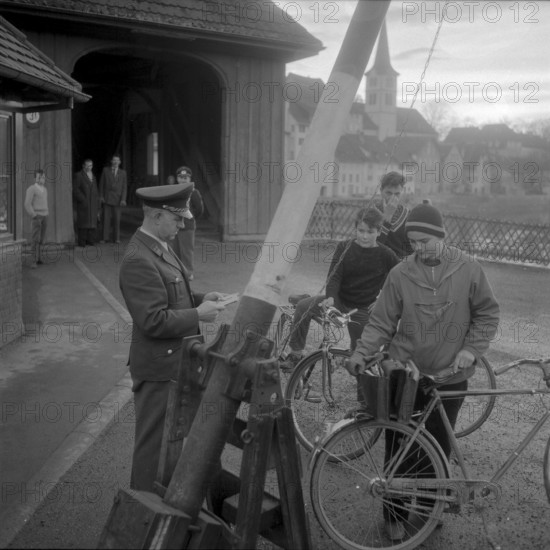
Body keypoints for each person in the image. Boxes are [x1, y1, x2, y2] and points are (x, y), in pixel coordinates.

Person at [346, 203, 500, 540]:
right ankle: (394, 513)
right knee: (399, 444)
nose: (417, 248)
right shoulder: (400, 274)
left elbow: (487, 315)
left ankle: (431, 508)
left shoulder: (469, 269)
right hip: (406, 374)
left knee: (438, 444)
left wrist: (470, 350)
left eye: (423, 241)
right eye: (412, 242)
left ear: (440, 237)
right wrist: (361, 353)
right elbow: (382, 322)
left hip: (449, 378)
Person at [119, 182, 227, 492]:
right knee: (153, 450)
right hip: (158, 369)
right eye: (177, 219)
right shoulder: (138, 258)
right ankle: (139, 519)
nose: (183, 224)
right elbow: (153, 320)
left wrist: (204, 297)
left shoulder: (158, 245)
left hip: (175, 363)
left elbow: (174, 294)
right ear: (155, 215)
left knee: (177, 441)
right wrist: (198, 314)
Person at [280, 207, 399, 372]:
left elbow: (400, 278)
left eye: (370, 232)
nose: (364, 236)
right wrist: (331, 298)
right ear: (355, 229)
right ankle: (296, 354)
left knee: (360, 355)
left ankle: (362, 388)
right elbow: (334, 276)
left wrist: (382, 299)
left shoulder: (386, 254)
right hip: (339, 301)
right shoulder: (345, 247)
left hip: (363, 308)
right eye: (360, 230)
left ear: (378, 232)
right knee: (303, 306)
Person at [170, 166, 204, 281]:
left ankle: (188, 273)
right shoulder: (174, 191)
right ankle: (177, 272)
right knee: (175, 250)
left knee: (187, 251)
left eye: (186, 177)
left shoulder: (194, 192)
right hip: (174, 225)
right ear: (177, 178)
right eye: (180, 177)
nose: (183, 180)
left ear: (190, 179)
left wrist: (191, 219)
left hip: (187, 226)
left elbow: (199, 209)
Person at [376, 171, 413, 259]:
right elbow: (373, 245)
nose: (393, 198)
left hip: (402, 265)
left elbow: (412, 249)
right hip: (378, 263)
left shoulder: (408, 215)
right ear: (381, 191)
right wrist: (387, 217)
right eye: (388, 193)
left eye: (397, 194)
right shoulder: (371, 212)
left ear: (402, 192)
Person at [99, 153, 127, 244]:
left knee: (117, 219)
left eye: (117, 160)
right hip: (107, 198)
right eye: (114, 160)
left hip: (118, 200)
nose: (115, 162)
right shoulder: (105, 170)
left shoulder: (123, 173)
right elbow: (101, 184)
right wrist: (101, 196)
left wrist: (123, 199)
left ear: (120, 162)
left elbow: (124, 187)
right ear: (111, 161)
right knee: (105, 219)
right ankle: (104, 238)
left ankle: (116, 238)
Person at [24, 169, 48, 268]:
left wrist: (46, 213)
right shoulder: (31, 189)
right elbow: (27, 204)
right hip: (36, 216)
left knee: (41, 239)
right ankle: (33, 261)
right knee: (35, 239)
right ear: (35, 178)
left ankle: (39, 258)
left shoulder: (45, 189)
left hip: (45, 216)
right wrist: (34, 215)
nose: (41, 179)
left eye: (43, 177)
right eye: (39, 177)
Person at [73, 159, 99, 247]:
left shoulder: (93, 176)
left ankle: (90, 241)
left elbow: (95, 189)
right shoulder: (78, 175)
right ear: (83, 166)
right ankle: (82, 242)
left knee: (92, 223)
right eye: (87, 165)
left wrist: (97, 201)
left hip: (92, 204)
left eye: (91, 165)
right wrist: (83, 199)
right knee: (83, 223)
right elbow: (75, 190)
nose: (89, 167)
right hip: (84, 203)